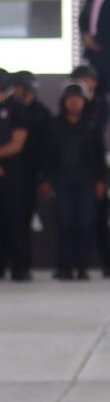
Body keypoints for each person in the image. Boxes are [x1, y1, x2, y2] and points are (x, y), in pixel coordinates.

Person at [41, 82, 107, 281]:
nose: (73, 104)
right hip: (62, 179)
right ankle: (64, 268)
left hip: (86, 179)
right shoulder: (54, 125)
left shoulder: (92, 125)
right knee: (64, 223)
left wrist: (101, 180)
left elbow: (99, 155)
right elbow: (47, 155)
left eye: (77, 100)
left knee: (85, 223)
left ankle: (82, 267)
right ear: (64, 102)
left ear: (83, 102)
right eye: (70, 100)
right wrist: (46, 179)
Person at [70, 65, 110, 278]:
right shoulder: (68, 107)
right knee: (77, 223)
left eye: (86, 80)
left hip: (95, 169)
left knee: (100, 220)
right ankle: (77, 267)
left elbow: (97, 129)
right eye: (78, 80)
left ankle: (108, 265)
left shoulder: (100, 106)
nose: (83, 84)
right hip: (74, 174)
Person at [10, 71, 52, 272]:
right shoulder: (10, 109)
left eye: (19, 86)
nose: (16, 90)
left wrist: (45, 178)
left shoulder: (42, 114)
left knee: (24, 221)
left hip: (31, 174)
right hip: (10, 172)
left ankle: (22, 267)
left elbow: (48, 149)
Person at [0, 69, 31, 282]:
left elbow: (17, 143)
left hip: (11, 173)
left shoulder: (17, 108)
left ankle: (19, 268)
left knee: (14, 220)